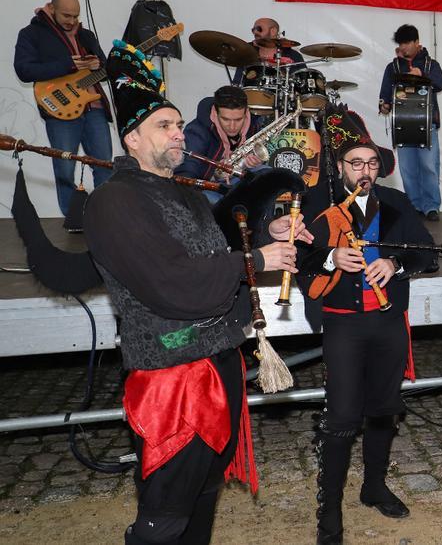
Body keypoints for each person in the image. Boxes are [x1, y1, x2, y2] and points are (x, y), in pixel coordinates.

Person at [84, 83, 305, 545]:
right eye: (164, 126)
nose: (179, 134)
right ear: (132, 139)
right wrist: (258, 260)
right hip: (173, 377)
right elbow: (175, 282)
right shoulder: (115, 200)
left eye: (180, 125)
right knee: (164, 514)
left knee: (204, 494)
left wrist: (268, 230)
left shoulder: (182, 191)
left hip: (218, 357)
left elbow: (215, 252)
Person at [297, 106, 435, 544]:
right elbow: (297, 264)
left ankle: (374, 485)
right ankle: (330, 515)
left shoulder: (394, 203)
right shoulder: (318, 205)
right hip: (342, 324)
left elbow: (426, 252)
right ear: (340, 166)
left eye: (372, 163)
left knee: (383, 409)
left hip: (388, 322)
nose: (366, 171)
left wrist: (395, 263)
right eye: (356, 163)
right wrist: (329, 256)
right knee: (340, 417)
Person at [13, 0, 113, 216]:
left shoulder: (86, 36)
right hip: (60, 112)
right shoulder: (32, 34)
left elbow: (106, 70)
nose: (72, 21)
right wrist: (67, 65)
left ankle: (106, 215)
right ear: (51, 8)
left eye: (76, 16)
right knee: (65, 167)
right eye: (66, 15)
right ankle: (73, 217)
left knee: (105, 164)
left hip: (94, 108)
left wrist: (100, 65)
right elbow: (24, 70)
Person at [378, 24, 442, 221]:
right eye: (401, 44)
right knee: (407, 167)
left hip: (427, 121)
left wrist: (422, 76)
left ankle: (431, 206)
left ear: (417, 42)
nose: (404, 47)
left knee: (428, 166)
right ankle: (414, 205)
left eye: (408, 43)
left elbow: (440, 84)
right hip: (402, 121)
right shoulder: (393, 66)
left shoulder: (431, 64)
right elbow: (385, 94)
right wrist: (384, 105)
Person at [177, 86, 266, 187]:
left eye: (238, 120)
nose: (232, 126)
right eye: (226, 119)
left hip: (237, 180)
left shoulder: (253, 125)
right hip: (207, 187)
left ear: (246, 112)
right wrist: (215, 174)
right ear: (215, 112)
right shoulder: (197, 131)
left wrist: (254, 162)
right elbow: (186, 172)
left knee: (268, 173)